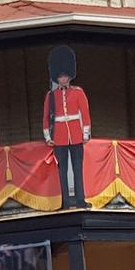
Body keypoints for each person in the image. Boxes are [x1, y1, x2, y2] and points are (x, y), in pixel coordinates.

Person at [42, 45, 92, 209]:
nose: (63, 79)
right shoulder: (51, 96)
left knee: (78, 169)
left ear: (70, 76)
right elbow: (46, 117)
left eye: (65, 76)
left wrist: (86, 133)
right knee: (61, 171)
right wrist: (48, 137)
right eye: (60, 76)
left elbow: (84, 113)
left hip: (76, 135)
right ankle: (65, 202)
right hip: (59, 137)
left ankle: (80, 200)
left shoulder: (78, 92)